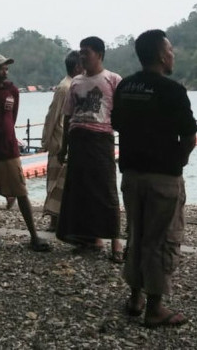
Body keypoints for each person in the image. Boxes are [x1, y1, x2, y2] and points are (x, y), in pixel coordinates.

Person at [111, 29, 197, 328]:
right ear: (161, 55)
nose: (173, 54)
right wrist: (180, 160)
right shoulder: (172, 90)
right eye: (170, 49)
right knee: (161, 240)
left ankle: (135, 297)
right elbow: (188, 135)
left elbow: (117, 123)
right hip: (162, 176)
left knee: (136, 234)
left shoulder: (125, 86)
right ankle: (155, 307)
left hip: (131, 173)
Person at [0, 54, 51, 252]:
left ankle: (33, 235)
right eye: (1, 68)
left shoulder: (13, 91)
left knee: (21, 191)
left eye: (6, 68)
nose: (5, 72)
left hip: (9, 149)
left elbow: (11, 119)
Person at [56, 36, 124, 261]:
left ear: (100, 54)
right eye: (81, 52)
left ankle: (116, 242)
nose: (83, 56)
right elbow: (68, 116)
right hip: (78, 138)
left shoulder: (113, 79)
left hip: (101, 138)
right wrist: (64, 146)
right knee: (80, 191)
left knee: (106, 189)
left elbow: (123, 114)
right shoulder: (75, 82)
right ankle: (88, 239)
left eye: (87, 52)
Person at [41, 51, 82, 232]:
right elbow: (53, 116)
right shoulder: (65, 87)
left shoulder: (74, 85)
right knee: (55, 183)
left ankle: (61, 220)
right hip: (59, 141)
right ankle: (54, 222)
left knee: (63, 184)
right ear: (77, 67)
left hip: (66, 141)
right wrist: (46, 141)